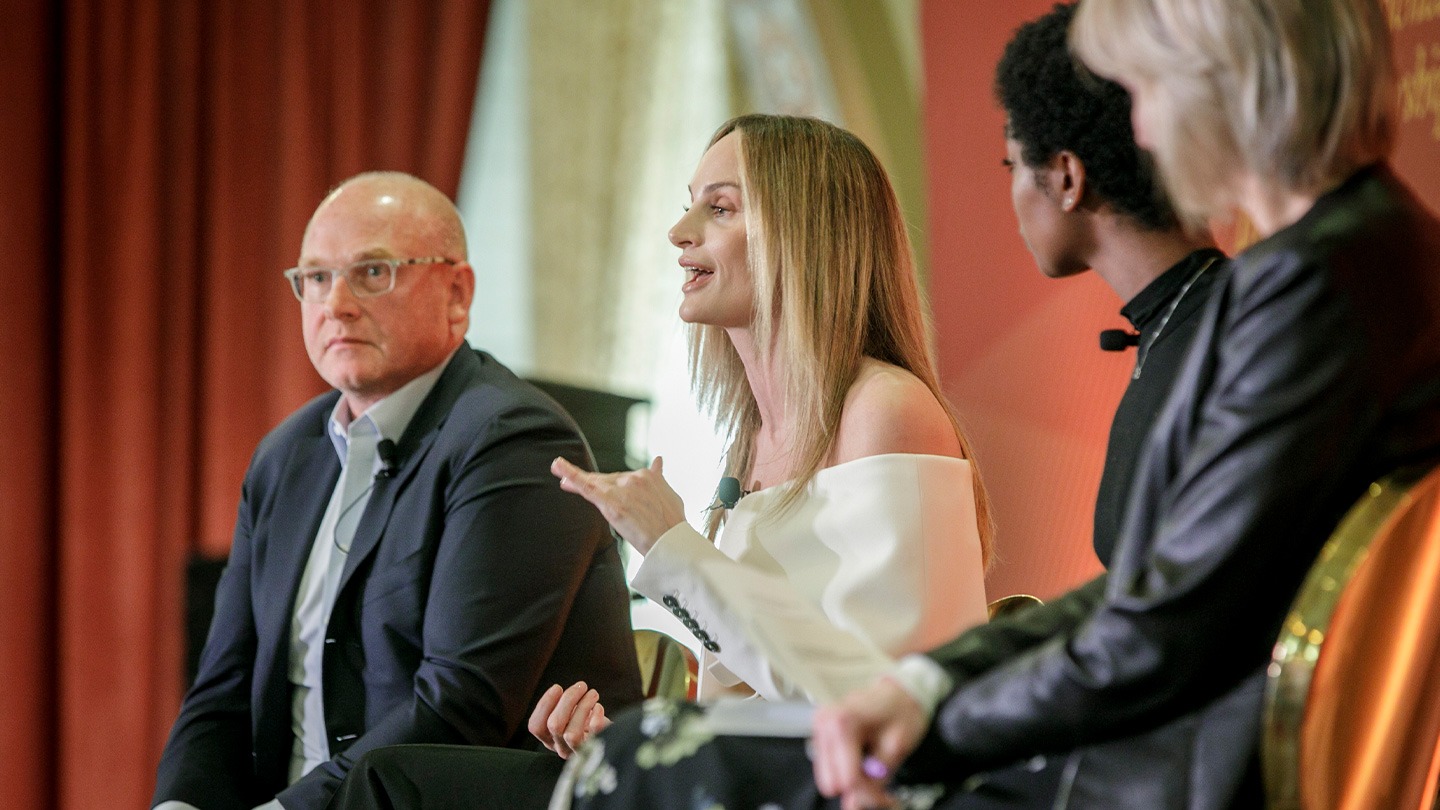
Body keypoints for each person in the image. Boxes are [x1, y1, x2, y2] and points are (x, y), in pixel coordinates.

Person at [560, 0, 1440, 808]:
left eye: (1139, 90)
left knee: (633, 772)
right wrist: (925, 690)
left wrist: (924, 727)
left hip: (1175, 771)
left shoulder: (1319, 284)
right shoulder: (1345, 260)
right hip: (1168, 745)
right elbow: (1150, 595)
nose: (1135, 128)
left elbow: (1162, 625)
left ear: (1224, 85)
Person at [331, 114, 994, 809]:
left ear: (807, 234)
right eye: (689, 203)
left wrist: (674, 545)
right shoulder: (751, 440)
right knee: (392, 779)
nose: (680, 231)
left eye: (720, 207)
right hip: (747, 781)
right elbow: (752, 689)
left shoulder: (887, 409)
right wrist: (627, 740)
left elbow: (883, 701)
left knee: (393, 787)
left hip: (840, 793)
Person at [150, 171, 642, 810]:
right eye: (316, 279)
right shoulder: (285, 459)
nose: (336, 304)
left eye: (372, 272)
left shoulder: (514, 441)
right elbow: (221, 693)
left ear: (457, 292)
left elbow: (460, 709)